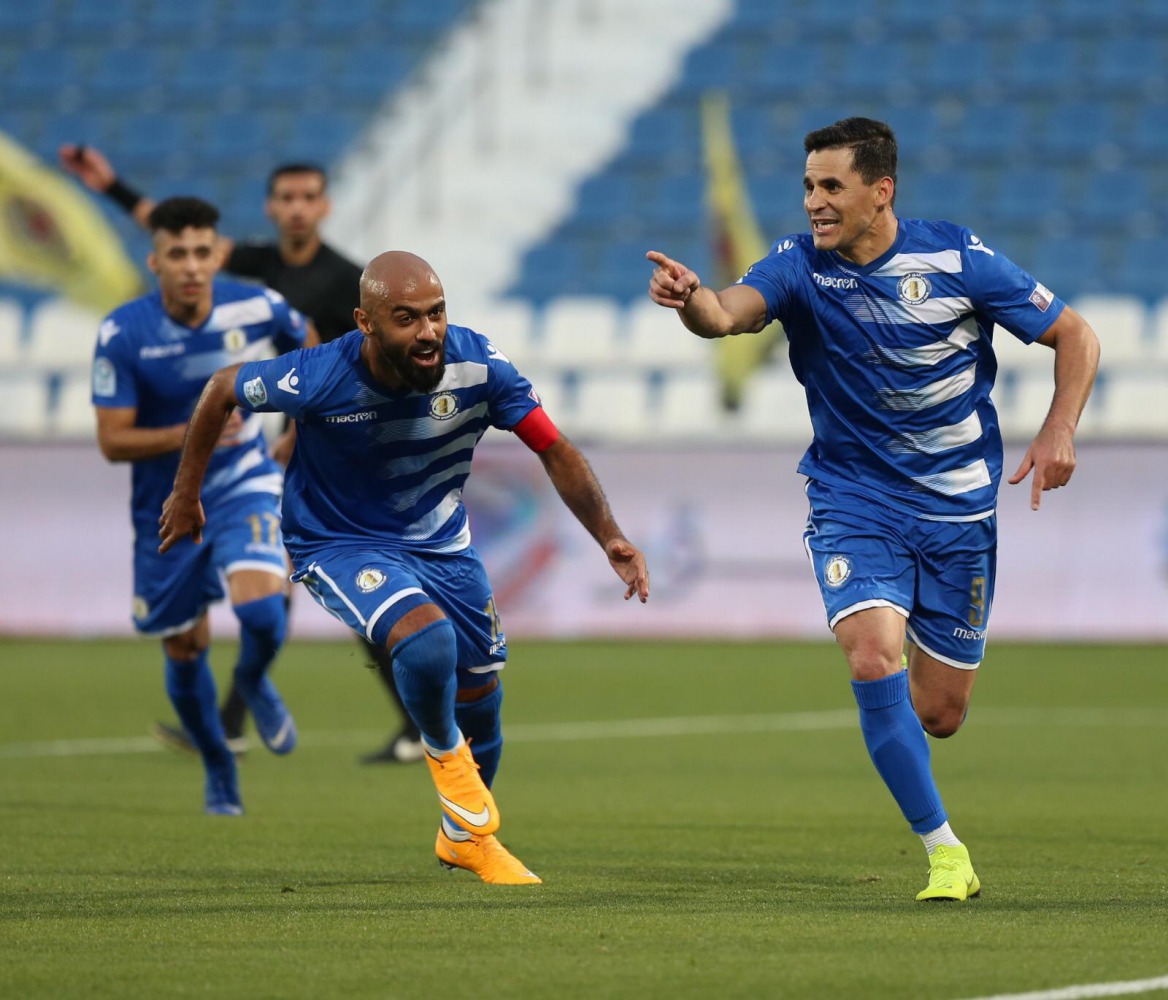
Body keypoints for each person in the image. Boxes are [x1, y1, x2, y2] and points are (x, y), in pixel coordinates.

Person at [646, 117, 1099, 902]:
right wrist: (693, 303)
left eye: (831, 187)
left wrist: (1060, 427)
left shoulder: (956, 258)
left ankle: (932, 776)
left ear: (879, 192)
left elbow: (1076, 335)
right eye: (808, 187)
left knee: (941, 712)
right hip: (853, 498)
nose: (815, 203)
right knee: (868, 653)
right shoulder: (797, 266)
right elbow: (729, 314)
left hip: (958, 513)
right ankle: (946, 854)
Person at [159, 250, 650, 884]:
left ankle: (462, 839)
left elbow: (552, 447)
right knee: (426, 642)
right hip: (338, 541)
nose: (427, 332)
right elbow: (223, 386)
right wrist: (186, 491)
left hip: (442, 544)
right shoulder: (317, 376)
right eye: (406, 318)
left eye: (437, 314)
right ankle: (450, 769)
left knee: (482, 705)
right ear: (366, 322)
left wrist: (608, 534)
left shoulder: (478, 366)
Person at [60, 144, 423, 765]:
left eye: (309, 197)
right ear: (271, 207)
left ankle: (418, 718)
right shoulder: (258, 264)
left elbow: (370, 364)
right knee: (277, 590)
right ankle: (239, 719)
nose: (297, 209)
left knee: (351, 581)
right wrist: (113, 187)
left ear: (325, 206)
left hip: (343, 449)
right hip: (287, 456)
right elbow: (182, 238)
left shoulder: (346, 280)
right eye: (287, 198)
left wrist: (311, 430)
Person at [93, 196, 312, 815]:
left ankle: (250, 678)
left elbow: (311, 345)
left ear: (216, 255)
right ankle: (218, 759)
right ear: (155, 260)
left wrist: (300, 423)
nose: (191, 266)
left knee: (265, 612)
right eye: (177, 255)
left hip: (244, 481)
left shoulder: (258, 306)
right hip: (164, 506)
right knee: (185, 648)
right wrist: (199, 427)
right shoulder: (123, 333)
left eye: (201, 253)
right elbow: (114, 441)